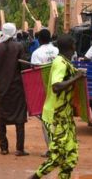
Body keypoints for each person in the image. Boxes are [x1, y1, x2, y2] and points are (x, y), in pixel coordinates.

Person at [31, 35, 87, 179]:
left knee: (71, 157)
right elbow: (56, 87)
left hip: (65, 117)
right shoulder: (60, 63)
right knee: (57, 157)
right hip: (55, 117)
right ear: (72, 47)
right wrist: (76, 77)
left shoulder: (66, 62)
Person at [0, 23, 29, 156]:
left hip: (2, 87)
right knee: (19, 117)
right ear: (13, 33)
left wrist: (1, 75)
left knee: (2, 117)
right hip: (18, 87)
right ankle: (19, 148)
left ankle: (4, 147)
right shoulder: (19, 47)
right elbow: (24, 67)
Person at [30, 29, 59, 157]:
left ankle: (51, 149)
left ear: (39, 39)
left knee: (46, 120)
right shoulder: (58, 51)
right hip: (59, 88)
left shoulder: (37, 53)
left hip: (45, 90)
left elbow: (35, 73)